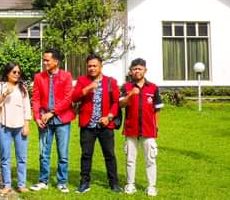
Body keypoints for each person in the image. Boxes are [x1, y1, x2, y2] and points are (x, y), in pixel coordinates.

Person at [72, 54, 121, 194]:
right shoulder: (82, 80)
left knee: (109, 154)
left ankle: (114, 183)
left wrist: (109, 117)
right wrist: (87, 88)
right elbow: (74, 97)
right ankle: (84, 183)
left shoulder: (110, 81)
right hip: (88, 125)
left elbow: (116, 102)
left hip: (105, 125)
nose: (92, 68)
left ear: (101, 66)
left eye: (95, 66)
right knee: (86, 155)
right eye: (89, 66)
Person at [30, 49, 76, 193]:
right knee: (44, 153)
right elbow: (36, 99)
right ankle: (43, 181)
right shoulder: (39, 77)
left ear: (56, 61)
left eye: (47, 60)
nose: (44, 63)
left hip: (62, 120)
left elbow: (68, 99)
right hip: (44, 121)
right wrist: (37, 117)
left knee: (63, 154)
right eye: (43, 60)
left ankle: (62, 182)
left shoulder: (66, 76)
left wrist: (52, 113)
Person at [120, 58, 163, 197]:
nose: (137, 71)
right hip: (131, 129)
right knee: (130, 159)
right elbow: (121, 105)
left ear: (145, 70)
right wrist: (130, 94)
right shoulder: (126, 87)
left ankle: (151, 186)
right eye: (134, 69)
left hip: (148, 129)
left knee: (150, 159)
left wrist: (156, 125)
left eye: (140, 68)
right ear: (130, 71)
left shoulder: (153, 87)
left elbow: (157, 109)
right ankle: (130, 184)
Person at [0, 63, 31, 195]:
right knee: (5, 157)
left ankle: (21, 184)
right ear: (7, 73)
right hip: (4, 125)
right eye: (14, 72)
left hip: (20, 126)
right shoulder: (0, 85)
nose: (17, 74)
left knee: (22, 157)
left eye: (18, 72)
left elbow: (27, 107)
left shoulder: (23, 87)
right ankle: (7, 185)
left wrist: (27, 124)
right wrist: (4, 94)